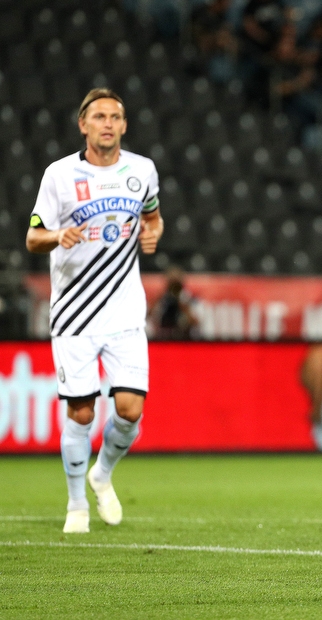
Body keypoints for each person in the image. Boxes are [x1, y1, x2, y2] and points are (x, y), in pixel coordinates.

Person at [26, 88, 164, 533]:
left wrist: (153, 234)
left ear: (124, 125)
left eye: (115, 116)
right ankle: (75, 505)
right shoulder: (59, 175)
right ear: (82, 124)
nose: (107, 123)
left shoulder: (142, 171)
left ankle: (102, 474)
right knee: (82, 414)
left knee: (129, 410)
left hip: (124, 314)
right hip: (74, 315)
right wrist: (57, 236)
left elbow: (153, 216)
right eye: (99, 116)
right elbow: (32, 238)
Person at [148, 265, 198, 340]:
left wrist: (184, 306)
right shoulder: (162, 298)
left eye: (176, 283)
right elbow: (149, 316)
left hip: (184, 338)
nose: (174, 286)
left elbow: (195, 322)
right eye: (172, 283)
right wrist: (159, 300)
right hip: (162, 338)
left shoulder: (188, 298)